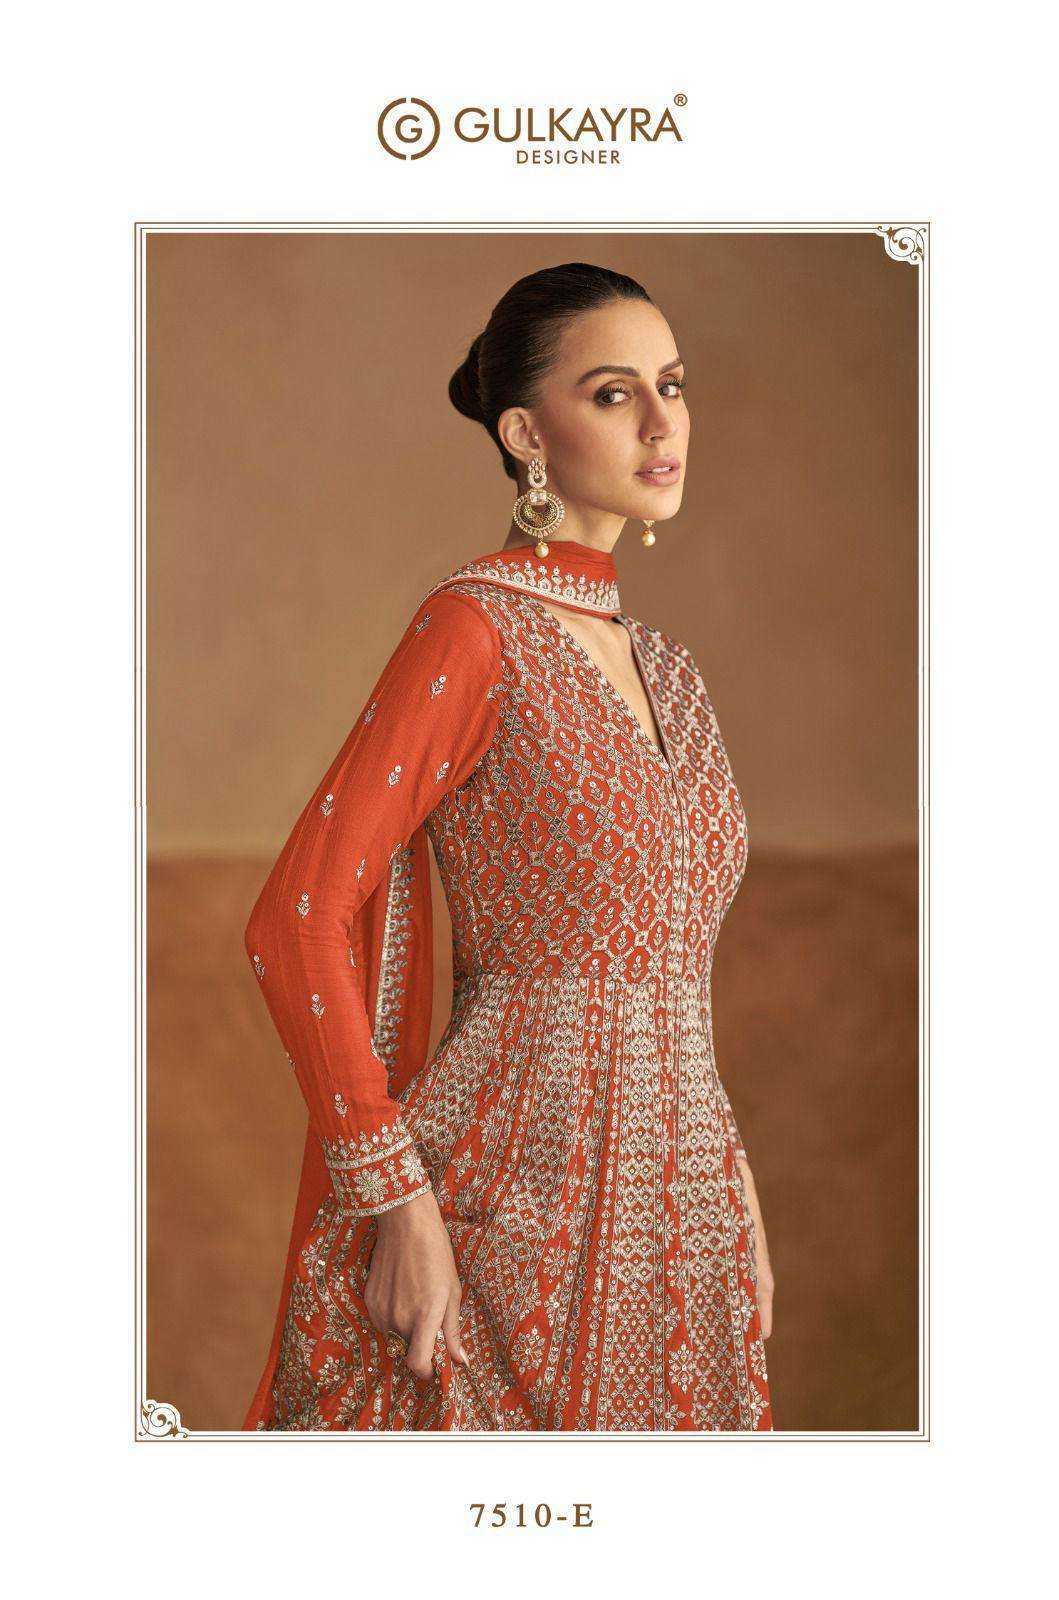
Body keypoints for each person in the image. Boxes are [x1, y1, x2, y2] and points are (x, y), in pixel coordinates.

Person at [241, 262, 774, 1431]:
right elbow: (296, 917)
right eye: (615, 393)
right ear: (526, 433)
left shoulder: (672, 672)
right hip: (507, 1222)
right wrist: (396, 1203)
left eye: (674, 386)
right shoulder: (475, 632)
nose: (662, 421)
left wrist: (728, 1180)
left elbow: (671, 965)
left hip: (688, 1226)